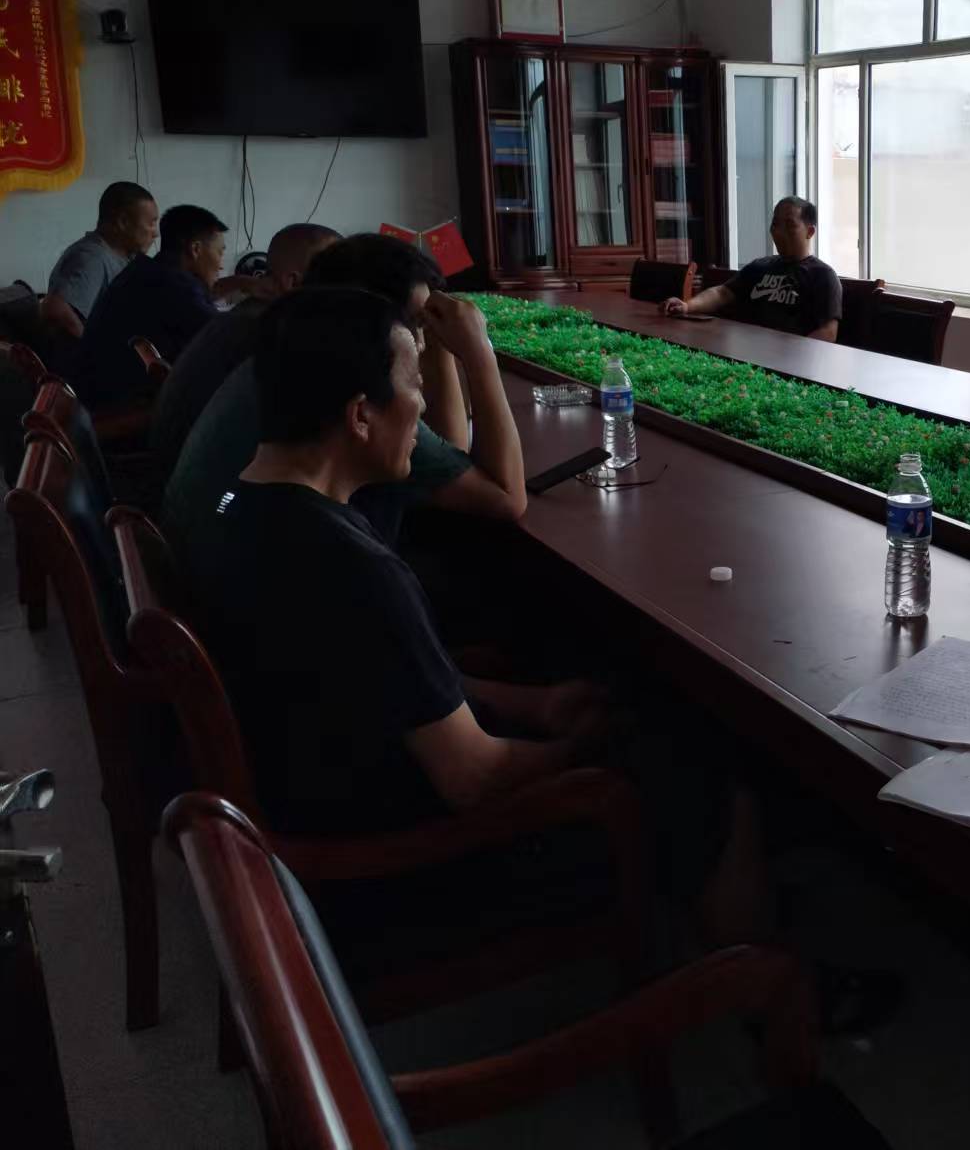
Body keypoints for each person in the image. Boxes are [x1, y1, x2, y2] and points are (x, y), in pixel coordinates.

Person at [181, 288, 767, 953]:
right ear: (360, 415)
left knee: (611, 705)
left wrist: (537, 704)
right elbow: (475, 777)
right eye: (413, 382)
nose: (425, 403)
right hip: (392, 866)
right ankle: (749, 982)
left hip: (318, 783)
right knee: (703, 766)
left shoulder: (238, 503)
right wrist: (588, 749)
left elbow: (390, 678)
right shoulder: (352, 567)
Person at [162, 232, 527, 551]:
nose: (420, 342)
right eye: (414, 325)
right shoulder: (355, 397)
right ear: (366, 318)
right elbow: (506, 499)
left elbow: (445, 462)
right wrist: (480, 354)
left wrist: (437, 341)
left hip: (212, 567)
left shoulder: (289, 358)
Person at [150, 222, 341, 479]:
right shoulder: (274, 335)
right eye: (337, 275)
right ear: (293, 282)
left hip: (174, 474)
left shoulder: (248, 316)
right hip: (202, 488)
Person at [65, 203, 223, 410]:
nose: (221, 264)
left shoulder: (146, 272)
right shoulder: (174, 285)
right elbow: (228, 337)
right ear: (195, 249)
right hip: (117, 413)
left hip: (89, 400)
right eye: (220, 252)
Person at [662, 196, 841, 340]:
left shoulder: (822, 275)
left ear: (810, 232)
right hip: (746, 351)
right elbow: (722, 293)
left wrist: (792, 360)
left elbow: (828, 333)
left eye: (789, 225)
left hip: (788, 362)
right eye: (775, 224)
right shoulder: (760, 266)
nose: (779, 232)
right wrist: (687, 306)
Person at [47, 180, 158, 323]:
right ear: (123, 222)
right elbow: (56, 309)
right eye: (151, 223)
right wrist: (90, 339)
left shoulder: (122, 256)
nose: (156, 233)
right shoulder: (92, 258)